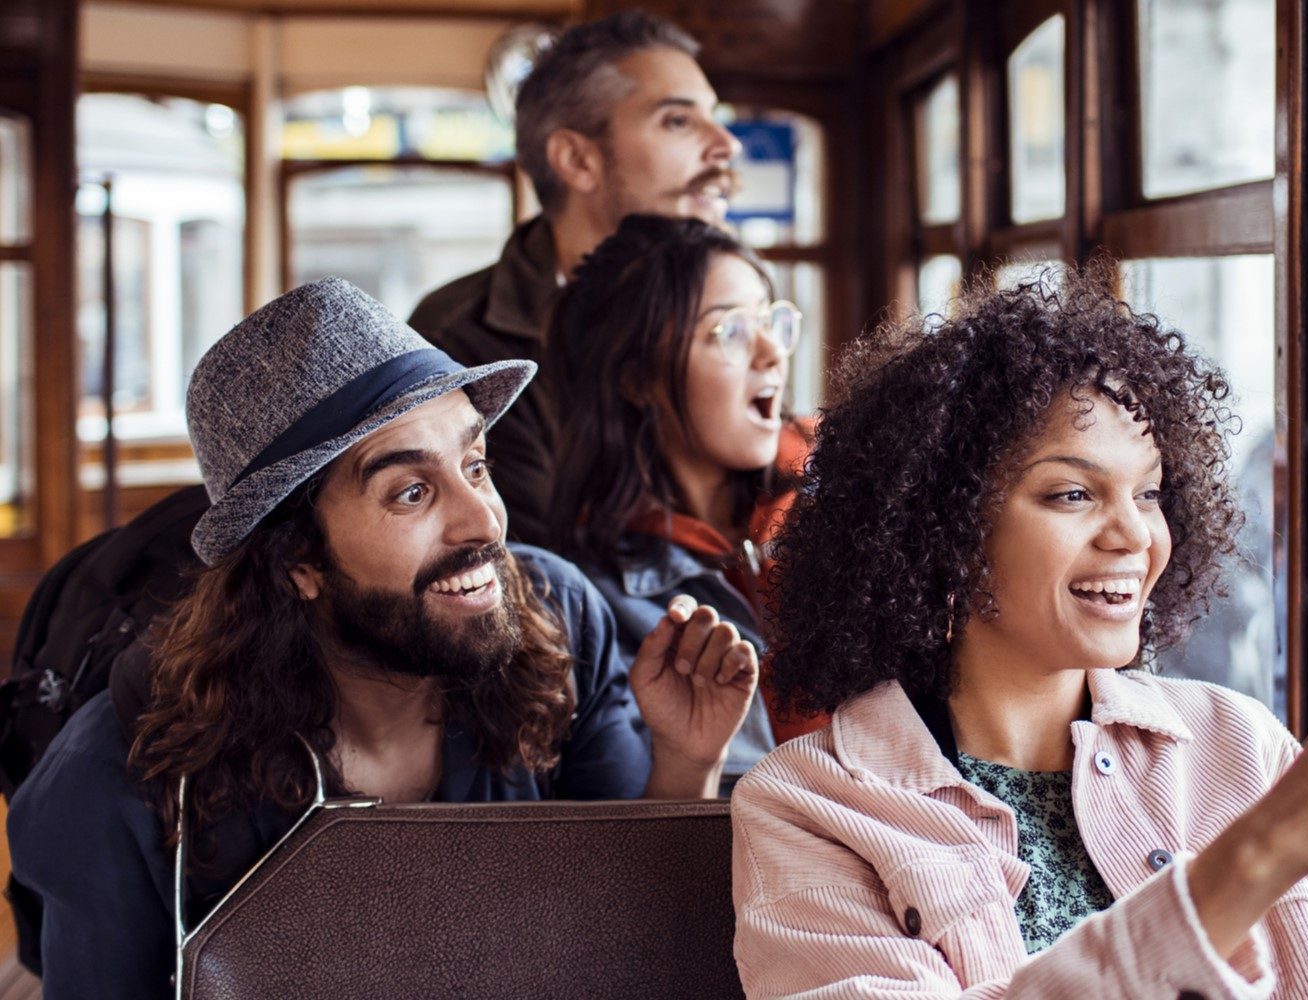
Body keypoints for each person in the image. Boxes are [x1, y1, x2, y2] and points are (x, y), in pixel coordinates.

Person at [730, 275, 1308, 997]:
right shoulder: (810, 808)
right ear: (941, 527)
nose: (1135, 535)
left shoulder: (1243, 744)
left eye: (1152, 492)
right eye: (1073, 493)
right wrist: (1274, 841)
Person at [8, 278, 759, 999]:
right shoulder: (118, 778)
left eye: (475, 465)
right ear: (297, 559)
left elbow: (631, 940)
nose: (485, 522)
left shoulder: (559, 619)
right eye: (412, 491)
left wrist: (688, 759)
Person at [410, 11, 742, 545]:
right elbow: (523, 569)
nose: (728, 145)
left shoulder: (736, 309)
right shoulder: (455, 342)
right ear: (577, 159)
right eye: (679, 121)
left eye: (715, 116)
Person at [546, 215, 824, 781]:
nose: (773, 352)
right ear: (640, 378)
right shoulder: (588, 609)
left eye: (771, 321)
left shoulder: (852, 500)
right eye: (732, 331)